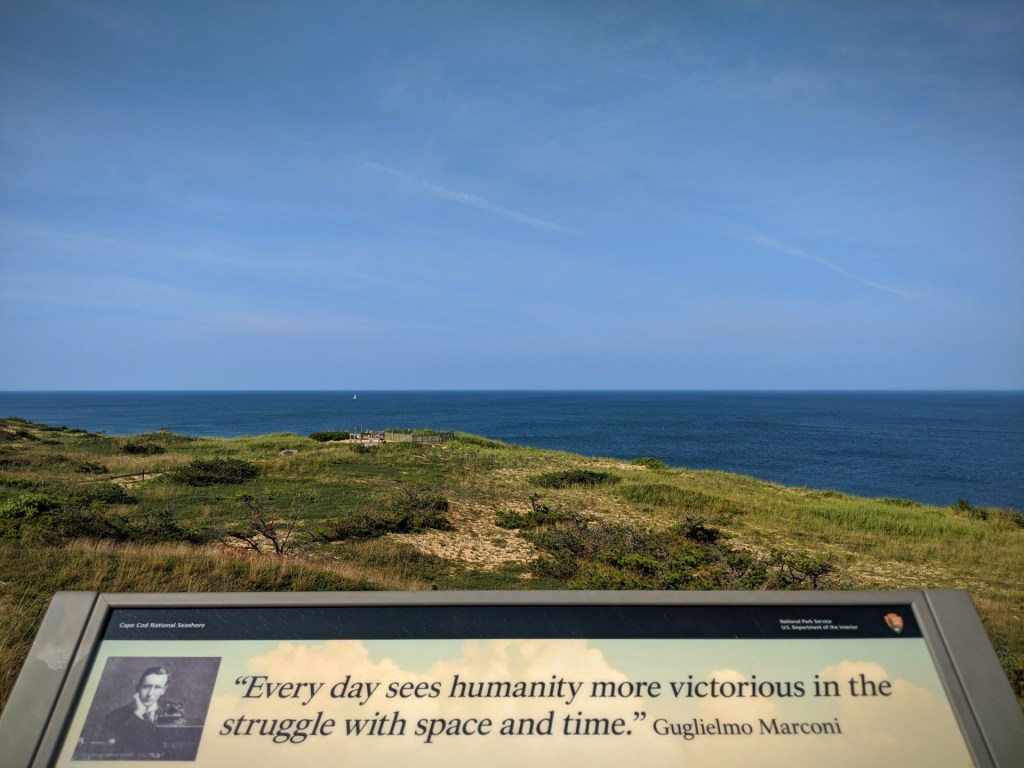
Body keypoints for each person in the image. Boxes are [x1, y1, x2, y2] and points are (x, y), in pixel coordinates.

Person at [97, 666, 175, 758]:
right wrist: (138, 713)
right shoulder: (115, 716)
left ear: (163, 690)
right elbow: (104, 752)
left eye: (157, 687)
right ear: (138, 688)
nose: (150, 694)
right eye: (146, 687)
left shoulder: (172, 710)